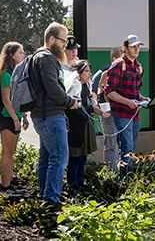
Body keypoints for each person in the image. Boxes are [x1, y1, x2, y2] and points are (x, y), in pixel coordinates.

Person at [30, 23, 80, 208]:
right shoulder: (47, 58)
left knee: (47, 156)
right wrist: (70, 102)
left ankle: (45, 196)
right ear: (52, 39)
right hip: (50, 115)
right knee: (59, 156)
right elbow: (52, 88)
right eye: (63, 41)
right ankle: (51, 200)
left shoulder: (39, 56)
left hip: (43, 114)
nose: (65, 45)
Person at [104, 35, 148, 176]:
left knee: (131, 149)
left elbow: (136, 93)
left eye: (138, 46)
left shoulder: (138, 67)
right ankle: (124, 181)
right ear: (125, 48)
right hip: (122, 114)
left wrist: (143, 99)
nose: (136, 49)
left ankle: (124, 179)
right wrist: (128, 102)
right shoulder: (118, 65)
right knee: (127, 149)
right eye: (133, 46)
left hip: (135, 115)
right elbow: (109, 92)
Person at [0, 42, 29, 196]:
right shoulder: (6, 75)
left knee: (11, 152)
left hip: (15, 117)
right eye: (20, 52)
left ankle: (10, 183)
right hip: (7, 118)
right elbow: (7, 100)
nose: (23, 55)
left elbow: (16, 99)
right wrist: (15, 119)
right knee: (7, 152)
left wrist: (23, 116)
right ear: (11, 55)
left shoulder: (16, 73)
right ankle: (5, 187)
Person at [65, 60, 101, 194]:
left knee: (83, 157)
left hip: (85, 126)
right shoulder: (74, 87)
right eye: (86, 71)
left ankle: (80, 183)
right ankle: (72, 185)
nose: (89, 73)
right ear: (78, 73)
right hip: (76, 128)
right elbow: (73, 110)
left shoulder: (86, 87)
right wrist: (92, 108)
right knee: (75, 158)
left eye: (89, 70)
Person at [92, 46, 124, 171]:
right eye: (122, 59)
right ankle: (111, 173)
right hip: (107, 114)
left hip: (121, 113)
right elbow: (93, 93)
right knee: (110, 143)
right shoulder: (102, 74)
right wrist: (101, 109)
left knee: (123, 142)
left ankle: (122, 172)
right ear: (114, 59)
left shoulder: (125, 73)